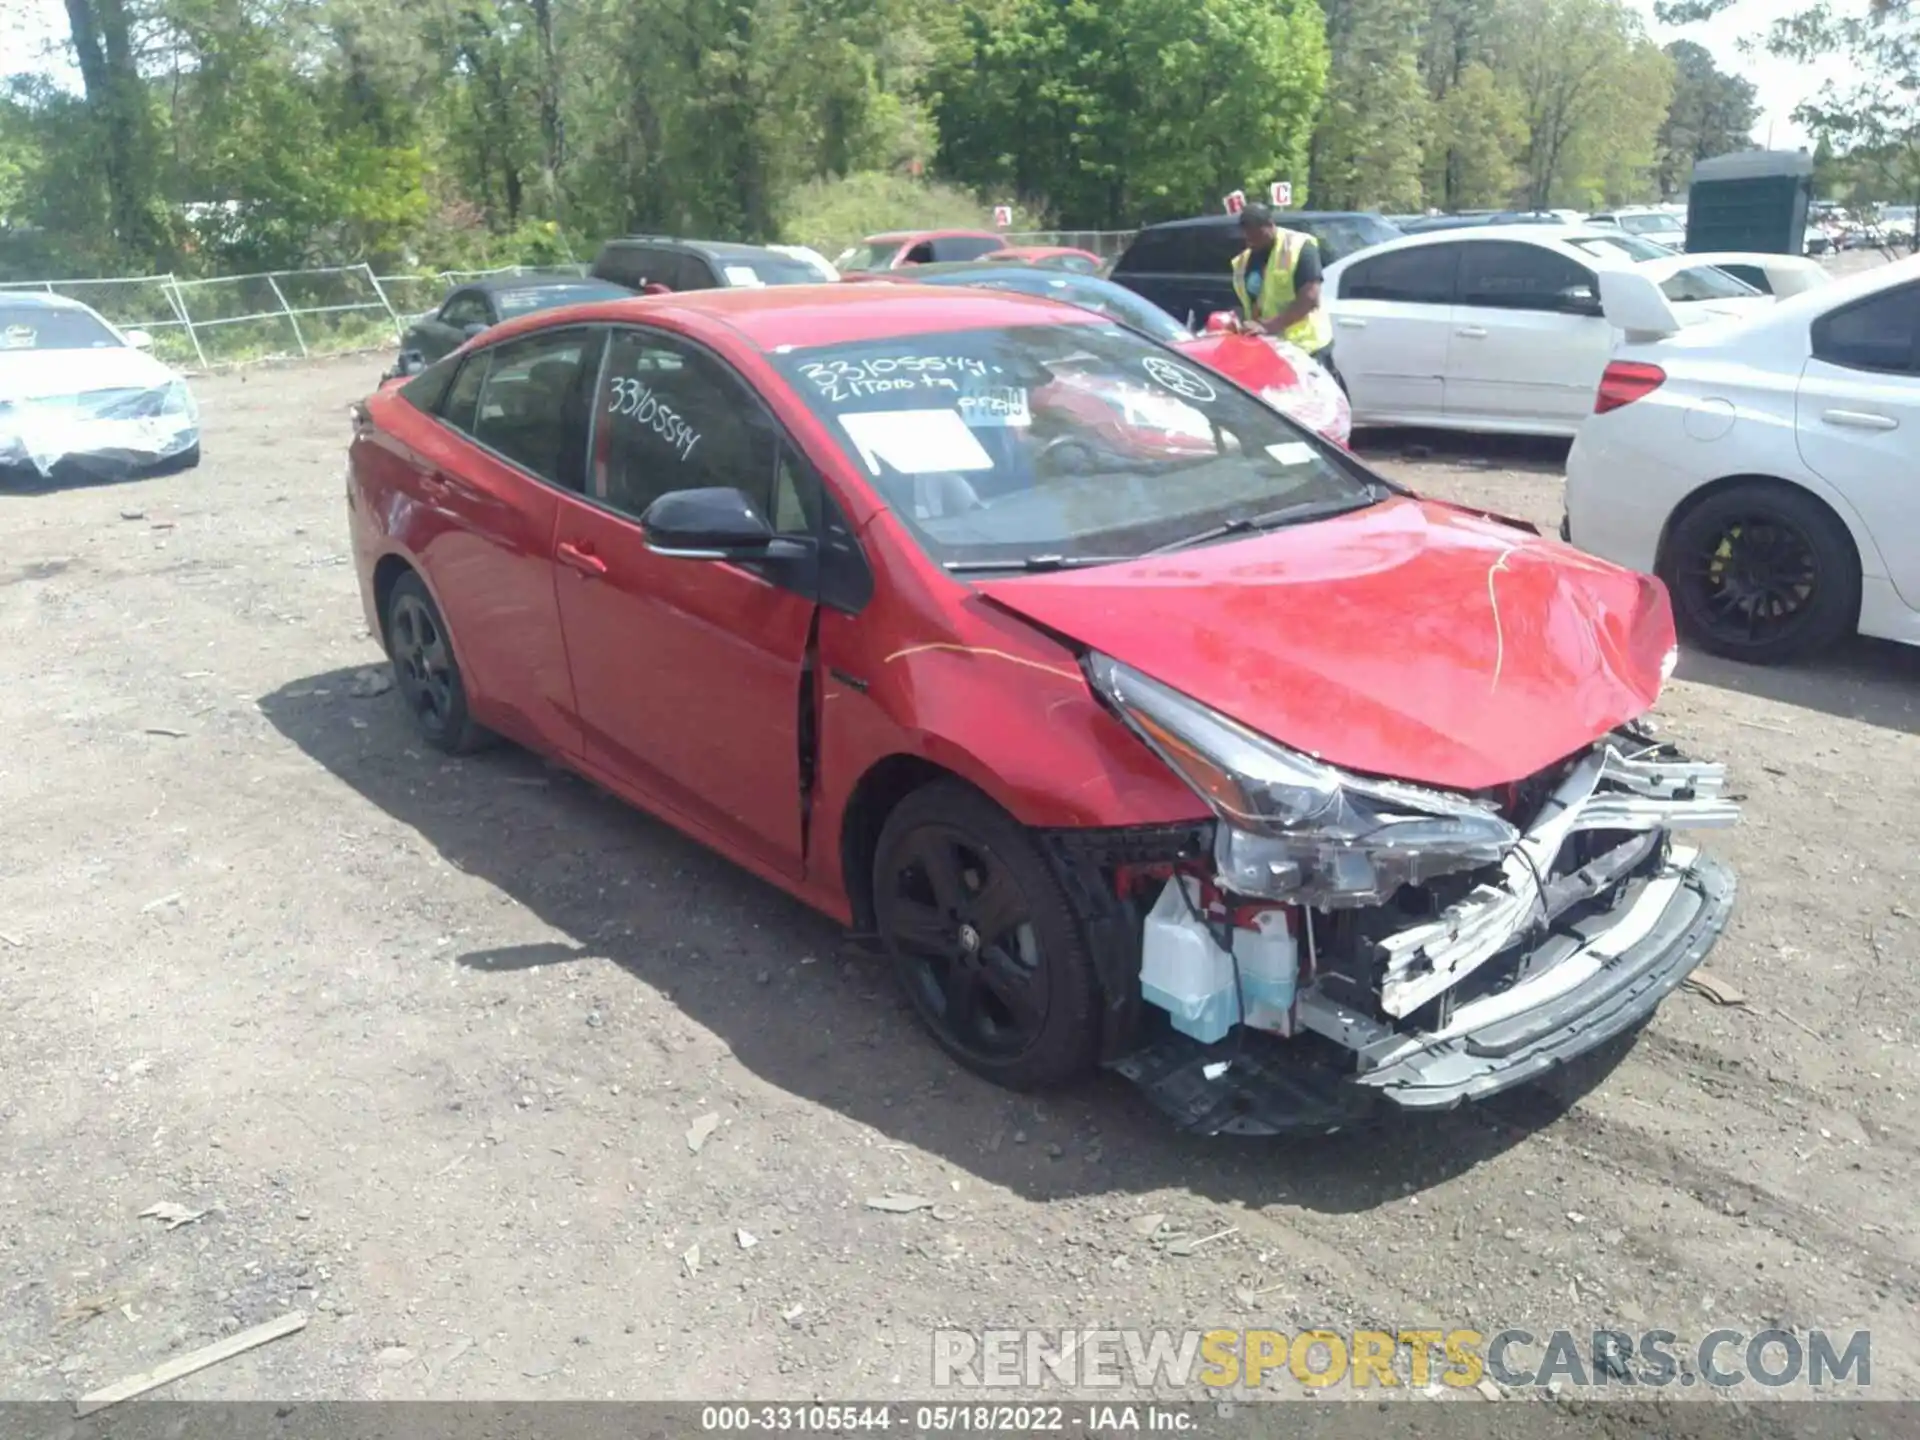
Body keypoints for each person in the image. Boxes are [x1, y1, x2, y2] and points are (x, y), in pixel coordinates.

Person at [1229, 203, 1341, 389]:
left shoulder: (1299, 246)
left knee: (1314, 409)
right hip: (1271, 349)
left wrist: (1269, 326)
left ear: (1270, 224)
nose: (1252, 241)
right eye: (1248, 236)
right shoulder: (1244, 261)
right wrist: (1238, 321)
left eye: (1257, 235)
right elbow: (1244, 301)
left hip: (1307, 348)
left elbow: (1310, 298)